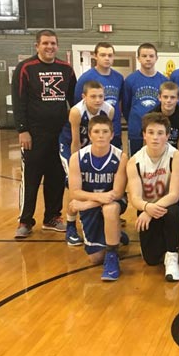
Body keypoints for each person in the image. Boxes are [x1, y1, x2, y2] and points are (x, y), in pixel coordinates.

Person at [13, 29, 77, 239]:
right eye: (45, 43)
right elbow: (19, 100)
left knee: (56, 177)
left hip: (59, 135)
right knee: (31, 178)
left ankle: (52, 217)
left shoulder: (66, 69)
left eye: (53, 43)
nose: (49, 47)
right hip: (34, 135)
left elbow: (74, 101)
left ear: (57, 46)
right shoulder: (25, 68)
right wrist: (23, 129)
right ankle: (25, 220)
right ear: (37, 45)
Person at [68, 116, 128, 281]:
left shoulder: (121, 157)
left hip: (112, 202)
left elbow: (117, 192)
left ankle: (112, 258)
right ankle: (116, 233)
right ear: (90, 134)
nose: (101, 135)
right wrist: (97, 199)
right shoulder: (77, 158)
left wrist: (87, 204)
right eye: (96, 131)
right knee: (95, 259)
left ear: (112, 134)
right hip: (93, 200)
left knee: (110, 209)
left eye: (105, 132)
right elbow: (74, 192)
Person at [126, 113, 179, 282]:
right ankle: (176, 238)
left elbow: (174, 194)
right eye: (150, 132)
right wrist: (146, 208)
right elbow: (135, 198)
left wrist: (150, 210)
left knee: (172, 212)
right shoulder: (135, 161)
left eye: (160, 133)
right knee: (151, 259)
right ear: (144, 135)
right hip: (147, 208)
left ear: (167, 136)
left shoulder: (176, 157)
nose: (155, 137)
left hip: (169, 205)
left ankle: (172, 257)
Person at [59, 80, 114, 245]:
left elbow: (106, 136)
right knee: (75, 186)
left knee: (93, 183)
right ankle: (70, 225)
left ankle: (102, 223)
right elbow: (75, 142)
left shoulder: (108, 110)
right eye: (93, 96)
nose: (98, 100)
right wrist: (77, 164)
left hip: (92, 146)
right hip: (71, 147)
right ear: (84, 97)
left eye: (101, 96)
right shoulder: (77, 112)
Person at [75, 42, 125, 149]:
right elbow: (77, 104)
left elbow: (120, 102)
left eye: (110, 55)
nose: (107, 58)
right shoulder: (86, 78)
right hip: (94, 132)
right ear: (95, 56)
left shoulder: (119, 77)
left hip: (114, 129)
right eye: (103, 55)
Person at [122, 43, 168, 156]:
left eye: (151, 56)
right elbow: (126, 106)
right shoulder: (130, 80)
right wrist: (133, 120)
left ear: (156, 58)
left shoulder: (164, 80)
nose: (148, 59)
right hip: (136, 129)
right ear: (138, 58)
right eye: (144, 56)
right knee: (136, 160)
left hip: (157, 131)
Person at [149, 81, 179, 156]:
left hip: (174, 153)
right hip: (156, 153)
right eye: (165, 97)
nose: (168, 101)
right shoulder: (151, 115)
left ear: (178, 99)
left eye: (172, 97)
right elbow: (147, 140)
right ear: (159, 97)